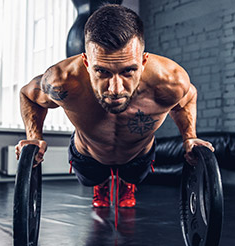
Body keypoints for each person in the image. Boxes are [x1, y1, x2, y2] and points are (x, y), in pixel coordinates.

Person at [15, 4, 214, 208]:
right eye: (102, 71)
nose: (115, 89)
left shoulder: (170, 81)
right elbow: (28, 95)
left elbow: (187, 98)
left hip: (139, 155)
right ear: (86, 62)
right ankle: (100, 184)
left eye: (128, 71)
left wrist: (190, 138)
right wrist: (34, 138)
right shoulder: (63, 80)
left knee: (133, 176)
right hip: (88, 155)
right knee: (90, 179)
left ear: (143, 62)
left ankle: (126, 183)